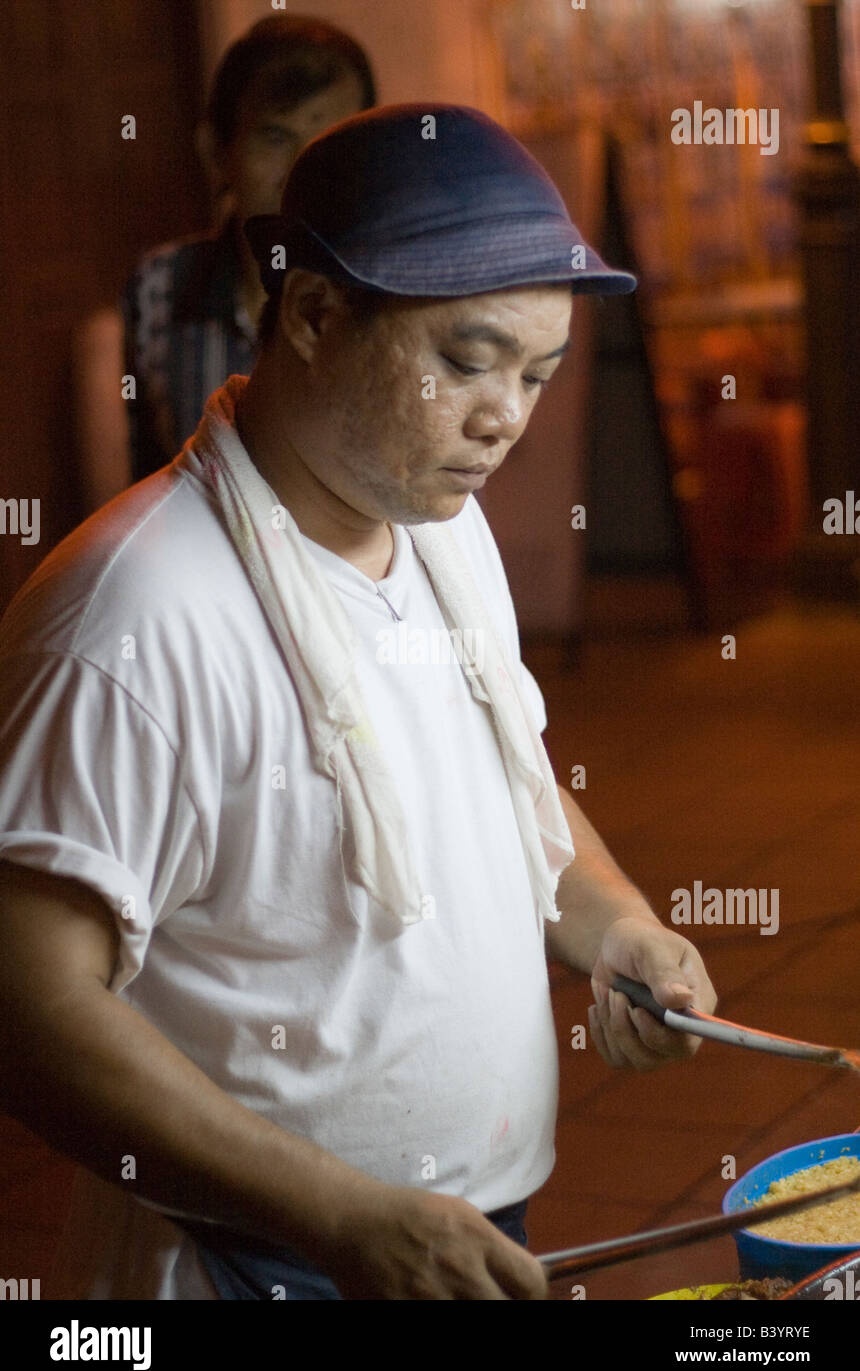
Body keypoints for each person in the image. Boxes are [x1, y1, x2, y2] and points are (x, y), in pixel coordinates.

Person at [0, 104, 717, 1301]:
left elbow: (510, 793)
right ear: (316, 314)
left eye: (535, 374)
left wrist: (619, 926)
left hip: (446, 1234)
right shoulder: (135, 615)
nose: (505, 418)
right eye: (465, 360)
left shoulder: (441, 529)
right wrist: (340, 1217)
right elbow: (26, 1005)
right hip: (261, 1256)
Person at [76, 15, 375, 509]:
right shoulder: (160, 290)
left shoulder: (388, 295)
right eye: (276, 138)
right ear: (218, 151)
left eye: (330, 142)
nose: (301, 169)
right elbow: (135, 494)